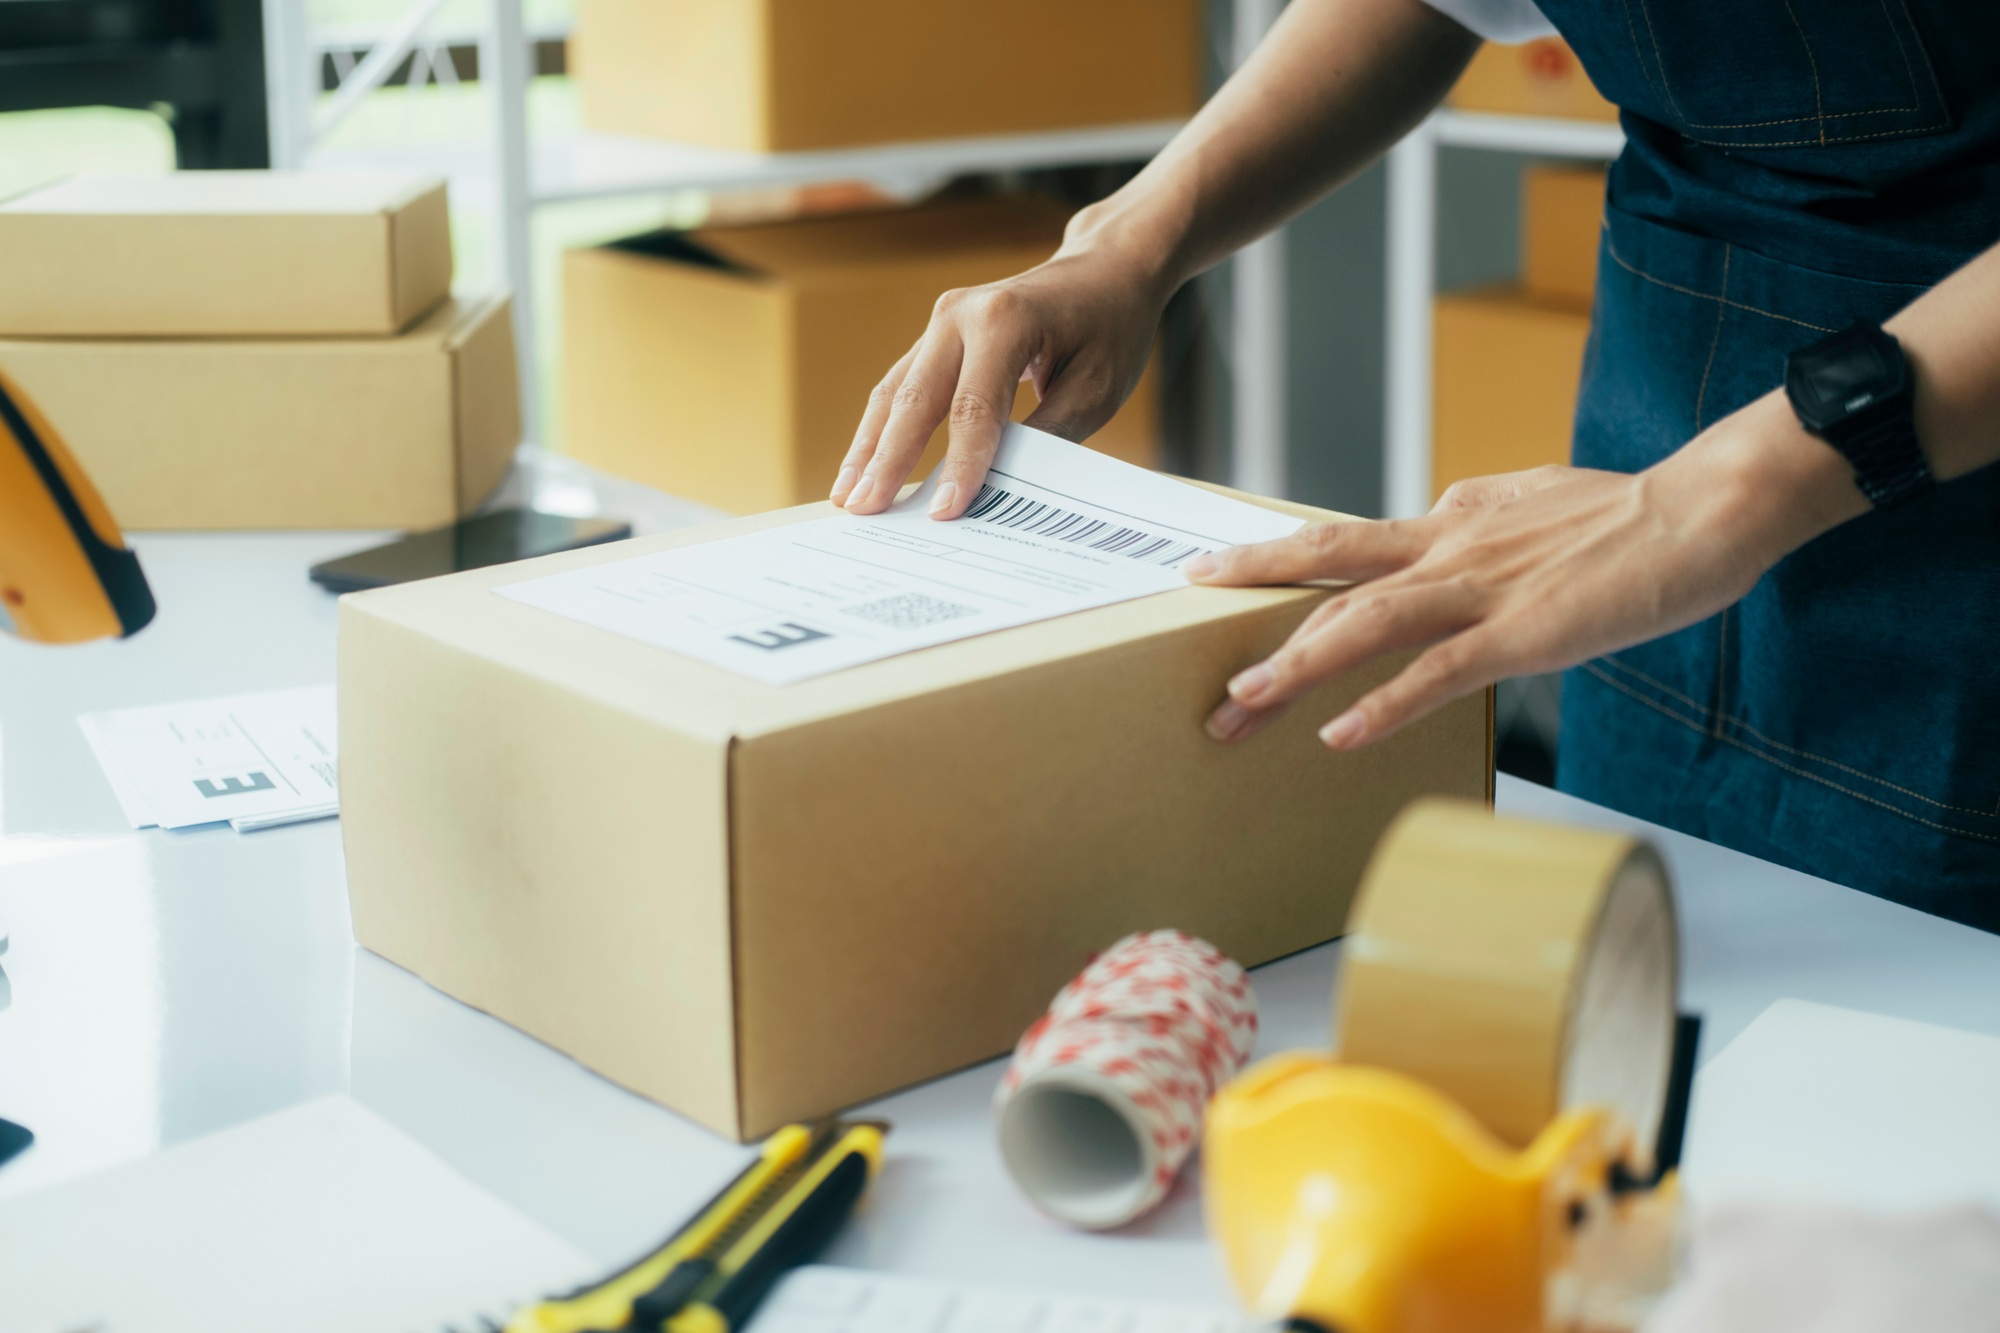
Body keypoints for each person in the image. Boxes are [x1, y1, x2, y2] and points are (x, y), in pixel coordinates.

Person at [827, 0, 2000, 929]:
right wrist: (1129, 239)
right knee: (1645, 980)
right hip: (1667, 385)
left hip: (1953, 452)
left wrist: (1719, 498)